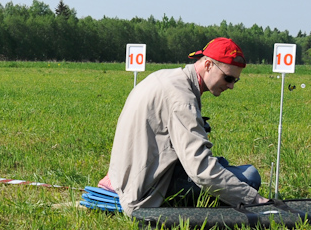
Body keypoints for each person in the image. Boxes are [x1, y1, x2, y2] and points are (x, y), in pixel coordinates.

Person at [100, 37, 268, 214]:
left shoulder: (166, 76)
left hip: (125, 175)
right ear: (208, 65)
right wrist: (253, 198)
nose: (231, 86)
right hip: (145, 186)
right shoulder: (182, 100)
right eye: (228, 78)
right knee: (250, 176)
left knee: (225, 166)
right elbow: (201, 169)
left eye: (235, 80)